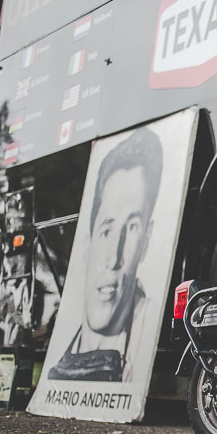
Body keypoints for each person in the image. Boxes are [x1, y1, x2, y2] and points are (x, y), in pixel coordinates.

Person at [48, 128, 162, 382]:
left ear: (145, 242)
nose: (113, 259)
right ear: (88, 241)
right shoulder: (61, 349)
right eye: (107, 231)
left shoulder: (147, 331)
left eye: (131, 228)